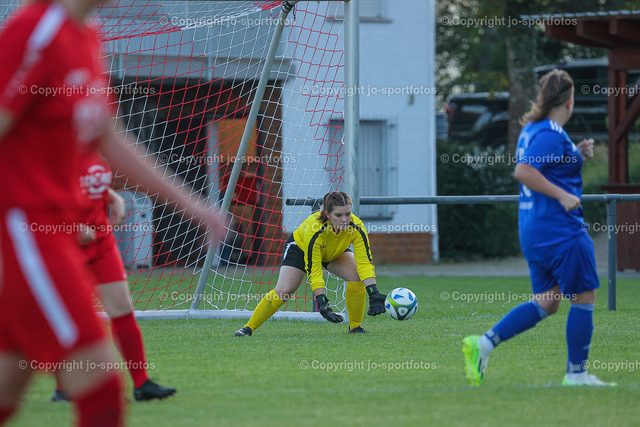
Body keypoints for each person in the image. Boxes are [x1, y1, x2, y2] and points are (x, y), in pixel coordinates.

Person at [0, 0, 225, 425]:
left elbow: (108, 135)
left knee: (8, 383)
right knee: (100, 385)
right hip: (27, 231)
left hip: (59, 231)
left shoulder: (87, 35)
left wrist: (193, 205)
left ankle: (142, 380)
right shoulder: (35, 30)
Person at [462, 69, 615, 387]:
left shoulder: (534, 129)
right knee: (584, 297)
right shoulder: (550, 132)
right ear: (569, 101)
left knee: (548, 300)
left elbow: (547, 167)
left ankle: (484, 344)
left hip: (534, 229)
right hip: (560, 229)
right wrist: (563, 196)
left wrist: (577, 156)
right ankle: (577, 374)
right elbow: (524, 171)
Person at [51, 152, 176, 402]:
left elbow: (87, 182)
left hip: (102, 242)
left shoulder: (93, 140)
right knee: (72, 314)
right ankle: (64, 387)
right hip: (67, 243)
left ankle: (141, 383)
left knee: (122, 307)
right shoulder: (51, 145)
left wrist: (112, 196)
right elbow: (38, 192)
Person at [234, 191, 387, 336]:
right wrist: (321, 301)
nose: (345, 220)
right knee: (284, 290)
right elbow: (314, 269)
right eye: (338, 215)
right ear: (327, 214)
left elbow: (364, 262)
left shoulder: (356, 226)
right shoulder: (314, 229)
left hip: (333, 251)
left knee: (356, 276)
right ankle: (248, 327)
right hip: (300, 249)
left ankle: (355, 327)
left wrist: (373, 292)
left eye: (348, 214)